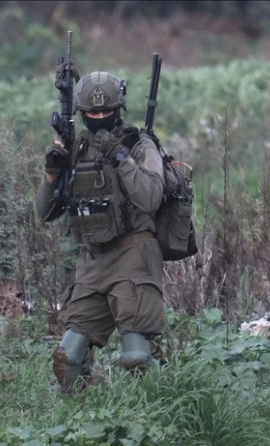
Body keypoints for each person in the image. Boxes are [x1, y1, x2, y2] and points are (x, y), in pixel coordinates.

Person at [36, 71, 166, 394]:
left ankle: (162, 411)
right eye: (91, 113)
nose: (98, 118)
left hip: (134, 256)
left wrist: (120, 156)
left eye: (105, 111)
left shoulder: (139, 144)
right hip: (93, 262)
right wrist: (51, 173)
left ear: (118, 108)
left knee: (137, 357)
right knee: (67, 359)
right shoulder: (76, 147)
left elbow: (150, 197)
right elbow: (45, 212)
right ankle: (75, 418)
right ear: (81, 112)